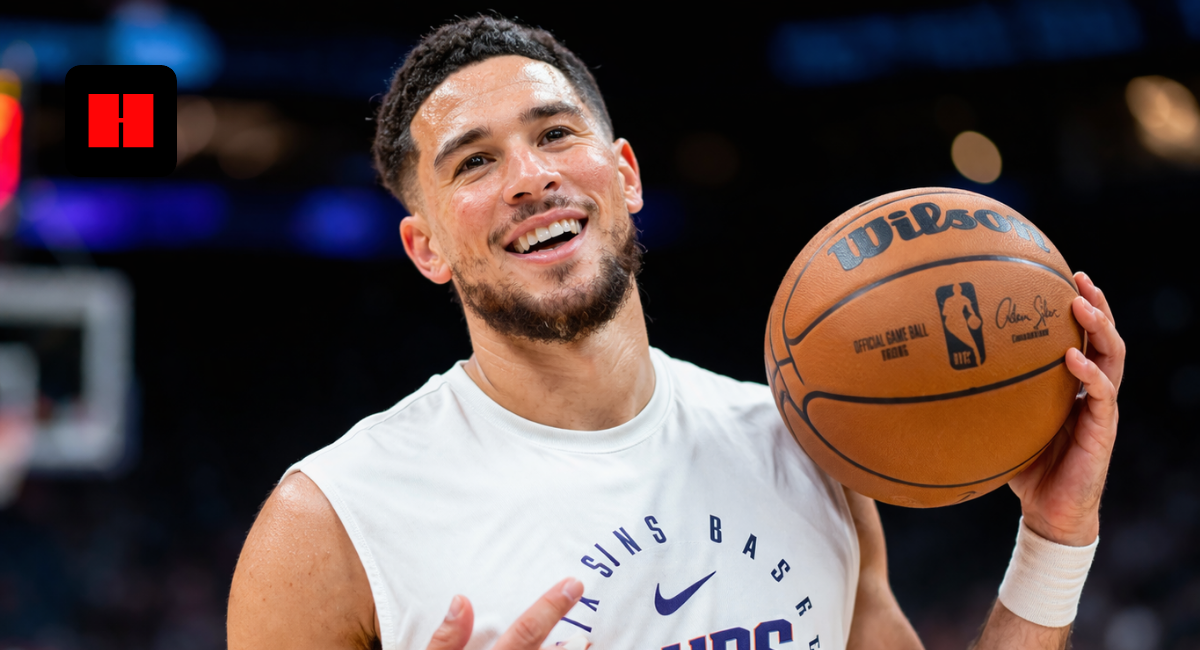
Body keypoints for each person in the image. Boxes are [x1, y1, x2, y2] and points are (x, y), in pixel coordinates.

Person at [226, 15, 1125, 650]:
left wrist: (1054, 539)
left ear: (625, 173)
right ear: (425, 248)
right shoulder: (329, 523)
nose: (530, 177)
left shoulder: (809, 444)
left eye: (554, 133)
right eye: (475, 162)